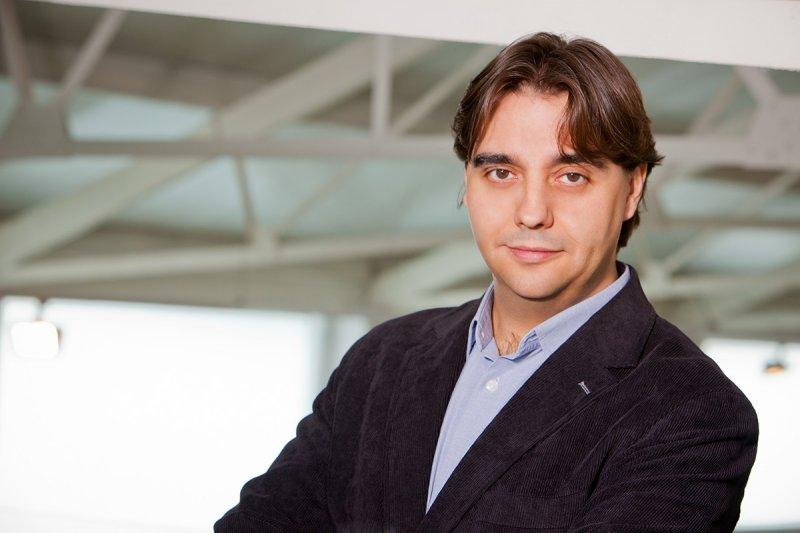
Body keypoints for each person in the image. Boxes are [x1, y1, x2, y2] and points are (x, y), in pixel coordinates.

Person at [215, 32, 759, 532]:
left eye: (571, 175)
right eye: (501, 172)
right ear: (468, 181)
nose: (531, 212)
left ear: (633, 189)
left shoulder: (692, 411)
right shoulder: (381, 360)